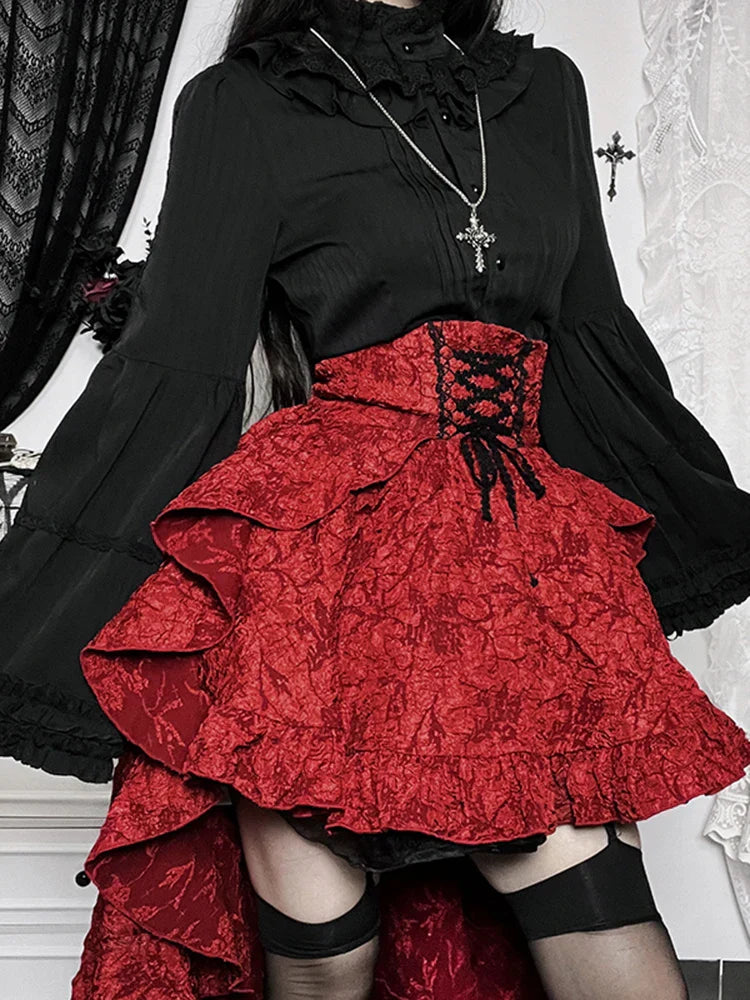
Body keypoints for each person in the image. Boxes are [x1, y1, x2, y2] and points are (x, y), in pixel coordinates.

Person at [2, 1, 750, 998]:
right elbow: (177, 365)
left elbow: (590, 339)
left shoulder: (544, 92)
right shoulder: (244, 102)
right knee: (327, 960)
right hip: (323, 574)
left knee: (593, 905)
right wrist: (50, 603)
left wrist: (686, 530)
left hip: (516, 558)